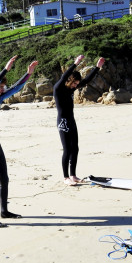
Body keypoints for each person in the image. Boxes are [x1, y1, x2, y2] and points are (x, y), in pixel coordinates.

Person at [0, 55, 38, 228]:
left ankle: (4, 211)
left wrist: (28, 74)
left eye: (3, 87)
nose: (3, 89)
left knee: (5, 180)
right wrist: (6, 69)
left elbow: (16, 89)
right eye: (0, 87)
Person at [53, 55, 105, 185]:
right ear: (69, 80)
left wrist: (97, 67)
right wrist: (75, 63)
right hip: (63, 122)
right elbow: (64, 76)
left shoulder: (72, 88)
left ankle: (73, 175)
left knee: (75, 148)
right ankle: (66, 178)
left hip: (71, 121)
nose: (76, 86)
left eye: (77, 84)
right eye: (74, 83)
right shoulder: (58, 88)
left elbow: (86, 81)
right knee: (67, 150)